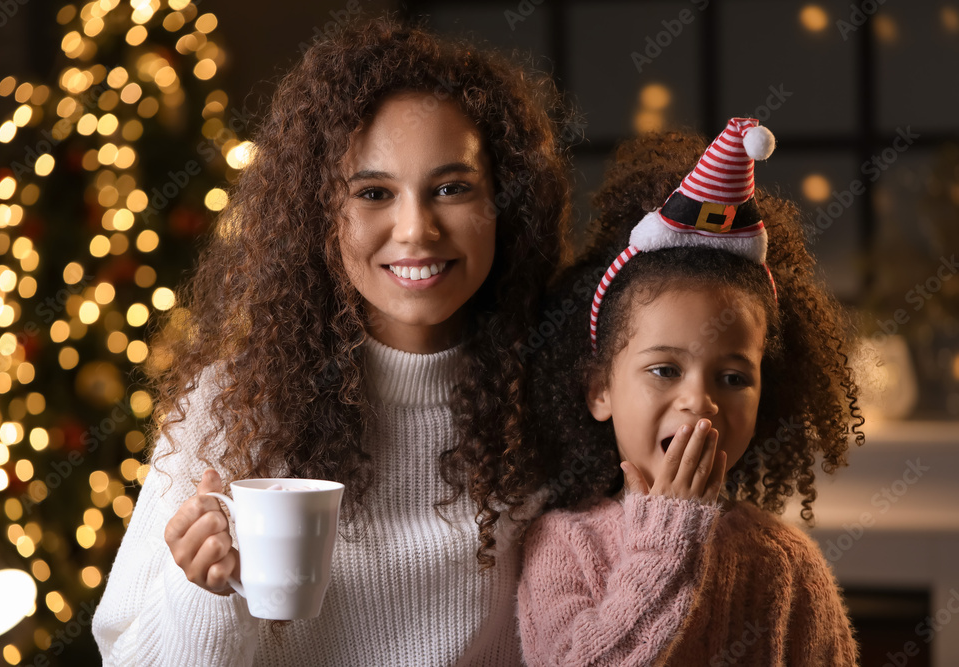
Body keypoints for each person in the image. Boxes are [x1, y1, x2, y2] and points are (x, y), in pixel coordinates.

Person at [92, 15, 574, 666]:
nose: (415, 230)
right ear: (323, 214)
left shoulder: (563, 393)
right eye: (373, 192)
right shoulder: (236, 403)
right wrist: (206, 590)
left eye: (452, 188)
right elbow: (123, 656)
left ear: (504, 203)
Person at [517, 119, 865, 666]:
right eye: (663, 370)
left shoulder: (788, 566)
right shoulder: (563, 545)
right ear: (599, 389)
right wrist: (669, 535)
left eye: (732, 378)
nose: (699, 402)